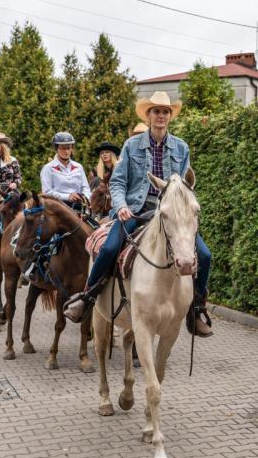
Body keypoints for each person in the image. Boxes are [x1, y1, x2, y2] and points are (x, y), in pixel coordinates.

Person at [62, 92, 212, 336]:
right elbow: (118, 182)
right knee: (109, 248)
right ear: (148, 115)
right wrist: (121, 205)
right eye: (156, 111)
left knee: (204, 255)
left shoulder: (181, 147)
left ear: (170, 116)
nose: (161, 115)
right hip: (135, 210)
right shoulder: (131, 146)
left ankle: (196, 309)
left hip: (169, 214)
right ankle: (87, 298)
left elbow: (185, 187)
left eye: (165, 112)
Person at [39, 132, 91, 211]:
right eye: (63, 148)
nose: (66, 151)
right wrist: (68, 196)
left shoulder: (79, 167)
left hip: (79, 207)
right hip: (58, 208)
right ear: (56, 148)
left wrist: (84, 197)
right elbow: (47, 192)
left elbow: (85, 188)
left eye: (69, 148)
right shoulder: (48, 168)